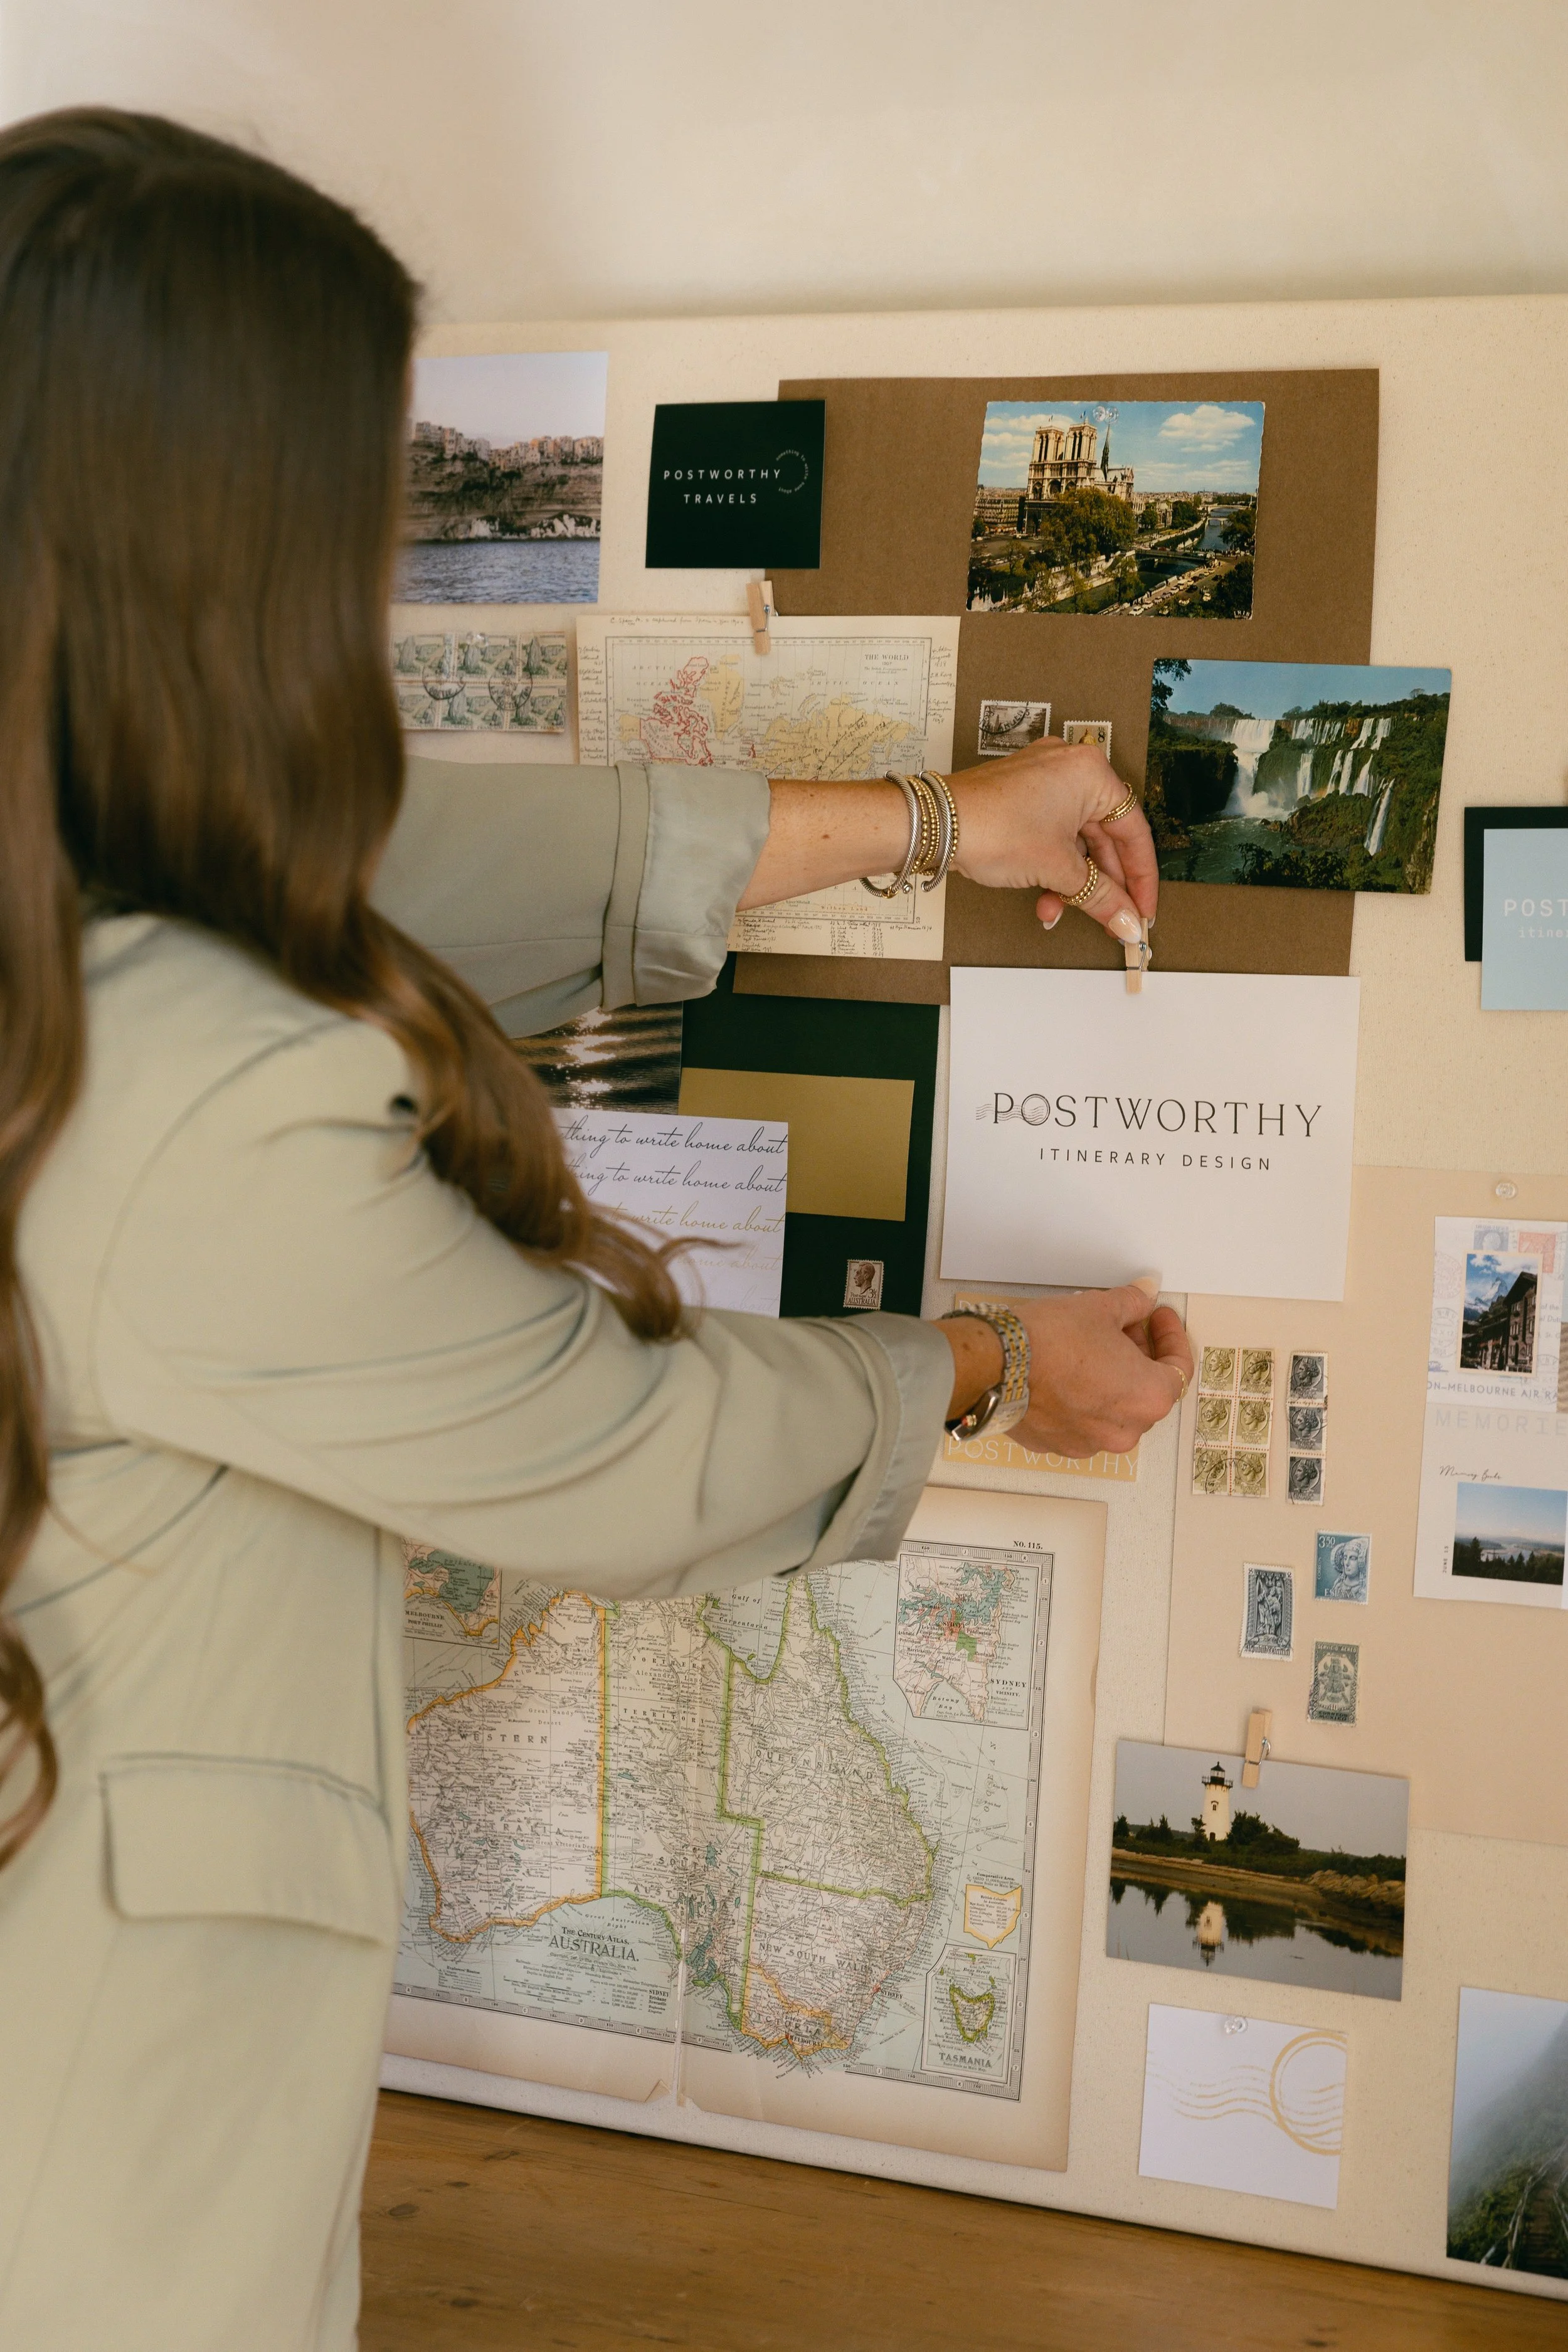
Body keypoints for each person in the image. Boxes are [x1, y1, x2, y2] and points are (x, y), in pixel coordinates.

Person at [0, 110, 1192, 2350]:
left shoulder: (53, 872)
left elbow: (397, 875)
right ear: (216, 546)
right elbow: (615, 1445)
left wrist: (939, 818)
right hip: (82, 2184)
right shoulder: (188, 1083)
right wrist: (988, 1364)